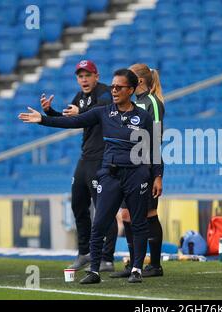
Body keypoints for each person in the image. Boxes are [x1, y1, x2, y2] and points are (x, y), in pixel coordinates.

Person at [19, 68, 163, 283]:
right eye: (113, 86)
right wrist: (44, 119)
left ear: (131, 90)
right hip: (110, 174)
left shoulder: (142, 117)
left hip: (137, 175)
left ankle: (136, 270)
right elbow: (73, 122)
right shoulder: (103, 112)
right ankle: (94, 270)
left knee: (139, 222)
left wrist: (158, 176)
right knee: (100, 223)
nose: (114, 90)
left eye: (119, 87)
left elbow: (154, 149)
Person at [40, 60, 118, 272]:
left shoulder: (106, 93)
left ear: (96, 76)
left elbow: (98, 112)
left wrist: (79, 114)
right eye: (80, 76)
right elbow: (73, 121)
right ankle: (84, 252)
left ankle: (107, 258)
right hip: (85, 158)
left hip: (103, 158)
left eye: (87, 75)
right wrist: (52, 112)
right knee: (78, 205)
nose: (83, 79)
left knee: (104, 210)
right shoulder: (80, 97)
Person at [111, 63, 165, 279]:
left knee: (149, 214)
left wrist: (156, 173)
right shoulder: (134, 104)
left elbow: (156, 136)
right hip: (128, 166)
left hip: (146, 165)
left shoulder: (151, 102)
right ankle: (135, 264)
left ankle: (155, 265)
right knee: (126, 214)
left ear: (139, 82)